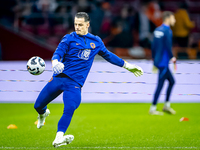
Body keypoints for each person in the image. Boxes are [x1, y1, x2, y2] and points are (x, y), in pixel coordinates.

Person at [34, 12, 143, 148]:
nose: (77, 27)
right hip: (58, 79)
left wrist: (128, 66)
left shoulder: (96, 41)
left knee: (69, 108)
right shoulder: (68, 38)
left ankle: (58, 138)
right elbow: (58, 53)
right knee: (37, 105)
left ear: (87, 24)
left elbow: (109, 56)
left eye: (80, 25)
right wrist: (55, 62)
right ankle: (43, 114)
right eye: (75, 24)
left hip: (74, 84)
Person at [150, 11, 176, 115]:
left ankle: (166, 105)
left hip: (158, 61)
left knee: (171, 82)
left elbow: (153, 46)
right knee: (160, 85)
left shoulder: (157, 30)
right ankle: (153, 108)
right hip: (164, 62)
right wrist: (172, 57)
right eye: (173, 18)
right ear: (168, 18)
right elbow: (168, 46)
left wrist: (154, 59)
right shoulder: (168, 31)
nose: (174, 20)